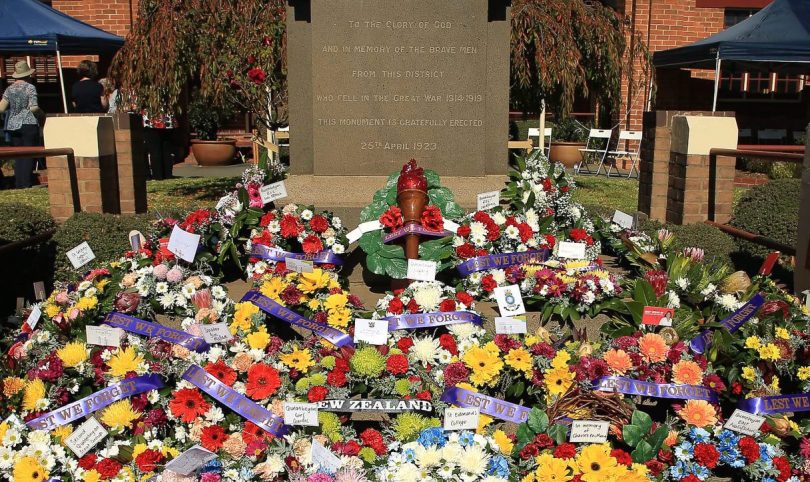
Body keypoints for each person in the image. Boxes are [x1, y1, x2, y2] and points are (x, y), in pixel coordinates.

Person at [0, 61, 41, 188]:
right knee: (28, 154)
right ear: (28, 75)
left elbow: (1, 108)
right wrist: (43, 114)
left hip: (13, 126)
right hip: (28, 123)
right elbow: (33, 108)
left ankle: (18, 183)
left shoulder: (9, 89)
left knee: (18, 155)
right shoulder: (30, 87)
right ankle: (26, 183)